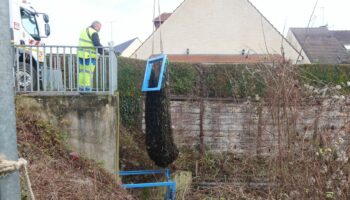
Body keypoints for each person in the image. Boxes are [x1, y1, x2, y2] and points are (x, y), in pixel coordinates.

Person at [77, 21, 104, 92]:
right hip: (89, 55)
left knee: (82, 72)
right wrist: (104, 52)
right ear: (96, 26)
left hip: (81, 54)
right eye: (99, 28)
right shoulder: (93, 32)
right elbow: (97, 44)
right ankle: (87, 89)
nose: (99, 30)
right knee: (88, 72)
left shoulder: (83, 31)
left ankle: (81, 88)